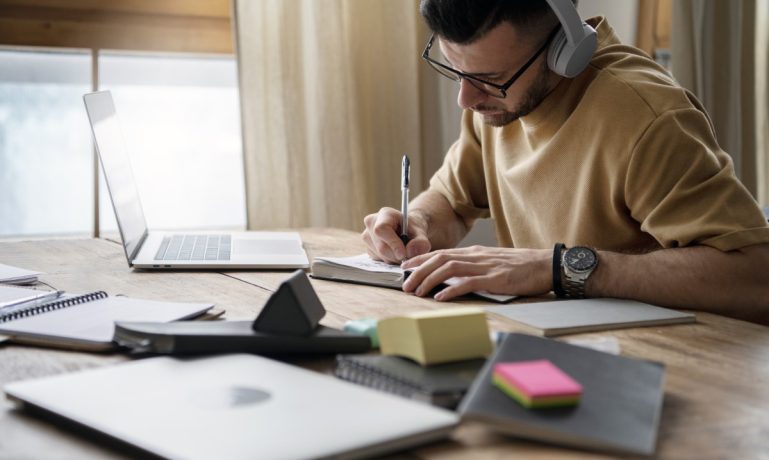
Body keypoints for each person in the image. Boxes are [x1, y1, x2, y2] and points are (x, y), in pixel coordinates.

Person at [362, 0, 769, 324]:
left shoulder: (647, 118)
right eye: (455, 69)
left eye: (488, 78)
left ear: (564, 51)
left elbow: (754, 277)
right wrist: (417, 223)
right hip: (555, 343)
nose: (465, 100)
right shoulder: (495, 101)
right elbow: (451, 200)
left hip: (677, 363)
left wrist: (560, 267)